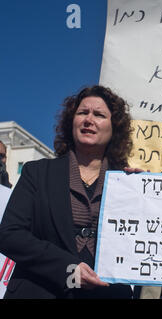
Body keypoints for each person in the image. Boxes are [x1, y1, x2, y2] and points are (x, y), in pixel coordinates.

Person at [0, 85, 134, 298]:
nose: (88, 119)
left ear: (114, 128)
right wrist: (68, 270)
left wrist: (147, 195)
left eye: (99, 115)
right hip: (39, 291)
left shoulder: (128, 185)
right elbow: (9, 235)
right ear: (71, 121)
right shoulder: (37, 173)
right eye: (82, 113)